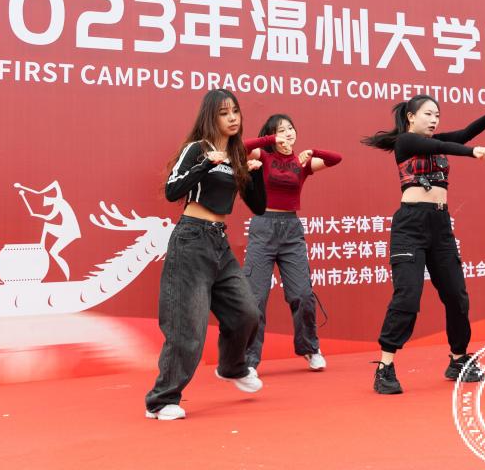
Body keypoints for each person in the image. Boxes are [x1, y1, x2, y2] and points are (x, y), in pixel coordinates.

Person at [362, 95, 485, 395]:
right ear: (410, 117)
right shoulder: (406, 141)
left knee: (457, 296)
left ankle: (458, 360)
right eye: (428, 114)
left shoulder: (436, 140)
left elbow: (464, 134)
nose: (434, 120)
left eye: (437, 115)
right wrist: (471, 153)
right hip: (410, 226)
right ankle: (385, 367)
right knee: (408, 296)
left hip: (441, 227)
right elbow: (448, 146)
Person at [144, 89, 268, 421]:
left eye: (235, 112)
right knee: (188, 329)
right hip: (191, 239)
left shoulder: (237, 156)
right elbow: (173, 190)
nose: (232, 118)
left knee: (246, 313)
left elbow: (258, 206)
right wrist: (205, 163)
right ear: (210, 118)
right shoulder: (197, 149)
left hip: (218, 242)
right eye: (224, 113)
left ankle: (232, 367)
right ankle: (161, 400)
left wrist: (255, 173)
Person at [243, 114, 342, 373]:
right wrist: (269, 140)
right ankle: (249, 360)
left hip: (291, 231)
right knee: (255, 298)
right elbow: (240, 147)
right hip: (263, 228)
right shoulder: (264, 157)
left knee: (303, 295)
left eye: (290, 128)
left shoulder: (302, 163)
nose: (287, 133)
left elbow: (336, 159)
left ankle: (310, 348)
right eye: (281, 130)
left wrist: (313, 152)